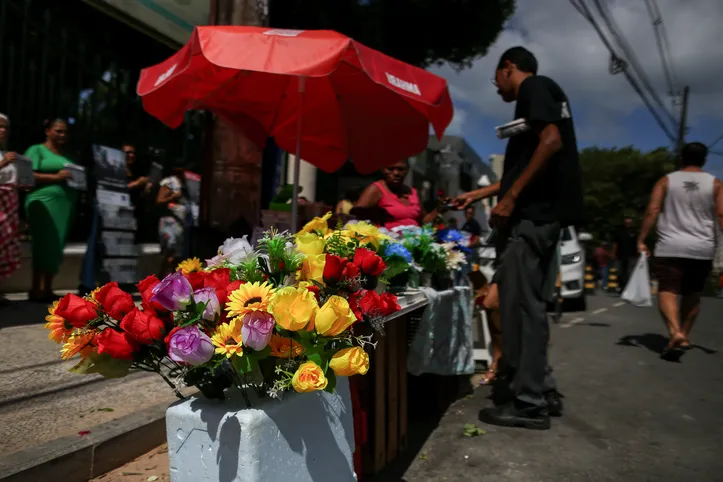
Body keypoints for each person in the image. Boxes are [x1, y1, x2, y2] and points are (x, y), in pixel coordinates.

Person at [454, 47, 584, 430]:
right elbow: (527, 166)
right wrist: (481, 194)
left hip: (531, 220)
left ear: (508, 68)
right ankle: (541, 390)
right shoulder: (538, 99)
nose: (496, 88)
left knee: (520, 311)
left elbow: (551, 142)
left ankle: (528, 403)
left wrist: (509, 200)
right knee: (529, 308)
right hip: (538, 219)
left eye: (496, 78)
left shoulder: (536, 88)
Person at [637, 142, 723, 361]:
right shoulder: (715, 184)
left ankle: (675, 333)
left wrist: (642, 239)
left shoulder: (666, 180)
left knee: (667, 289)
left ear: (682, 159)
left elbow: (653, 210)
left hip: (670, 245)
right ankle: (683, 335)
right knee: (692, 294)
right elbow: (721, 215)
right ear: (704, 160)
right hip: (703, 247)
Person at [24, 118, 76, 302]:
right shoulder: (37, 150)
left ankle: (47, 287)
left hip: (64, 204)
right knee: (43, 243)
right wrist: (55, 177)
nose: (63, 135)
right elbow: (27, 173)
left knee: (56, 245)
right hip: (43, 202)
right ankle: (36, 288)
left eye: (65, 132)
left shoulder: (66, 156)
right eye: (58, 131)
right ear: (47, 131)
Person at [353, 159, 442, 229]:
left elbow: (423, 221)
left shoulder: (412, 192)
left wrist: (440, 209)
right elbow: (355, 217)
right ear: (383, 169)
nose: (396, 173)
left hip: (413, 245)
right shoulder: (376, 189)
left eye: (400, 169)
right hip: (386, 245)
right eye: (390, 169)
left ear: (407, 170)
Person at [0, 114, 21, 304]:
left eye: (5, 127)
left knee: (3, 249)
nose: (3, 131)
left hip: (8, 208)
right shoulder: (4, 157)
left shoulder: (4, 153)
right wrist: (4, 163)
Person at [156, 167, 190, 277]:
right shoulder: (169, 182)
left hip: (179, 224)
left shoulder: (184, 184)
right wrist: (173, 197)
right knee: (169, 254)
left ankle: (174, 283)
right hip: (169, 223)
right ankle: (159, 281)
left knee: (177, 257)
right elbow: (160, 200)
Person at [613, 217, 637, 292]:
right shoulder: (619, 231)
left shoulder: (635, 231)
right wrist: (613, 253)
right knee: (619, 272)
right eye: (626, 222)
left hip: (632, 255)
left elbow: (639, 242)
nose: (628, 224)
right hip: (620, 254)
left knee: (630, 272)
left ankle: (629, 288)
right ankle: (622, 286)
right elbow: (615, 243)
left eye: (629, 222)